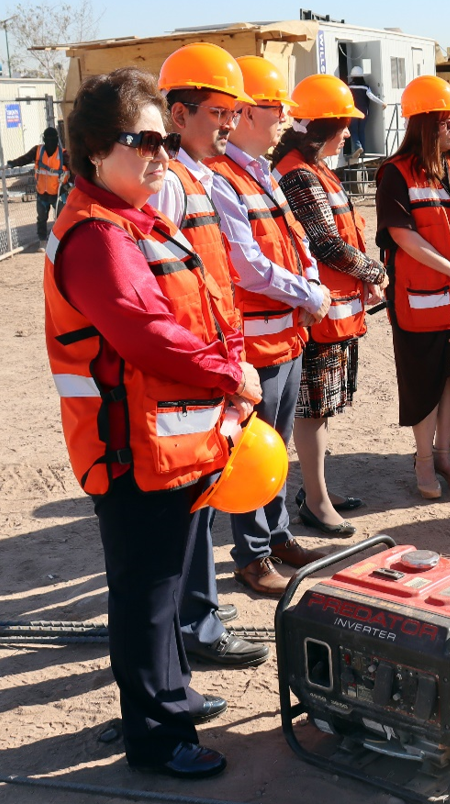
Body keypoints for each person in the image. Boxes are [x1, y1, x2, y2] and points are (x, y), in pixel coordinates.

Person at [46, 66, 262, 778]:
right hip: (129, 453)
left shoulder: (136, 220)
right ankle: (155, 736)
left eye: (165, 139)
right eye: (143, 140)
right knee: (143, 597)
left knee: (164, 588)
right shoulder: (96, 237)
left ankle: (174, 696)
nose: (161, 153)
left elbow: (191, 309)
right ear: (96, 149)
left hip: (167, 445)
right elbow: (146, 335)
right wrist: (231, 373)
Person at [151, 42, 268, 668]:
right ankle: (195, 631)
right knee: (190, 510)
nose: (228, 122)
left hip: (211, 369)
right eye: (218, 111)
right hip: (189, 377)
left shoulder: (196, 179)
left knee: (200, 503)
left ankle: (199, 624)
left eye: (232, 112)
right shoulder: (167, 185)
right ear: (177, 114)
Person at [209, 55, 329, 595]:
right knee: (251, 450)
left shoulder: (262, 172)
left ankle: (276, 535)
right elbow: (247, 266)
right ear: (249, 113)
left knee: (275, 445)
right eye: (279, 108)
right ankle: (252, 554)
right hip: (255, 342)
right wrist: (310, 292)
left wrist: (309, 287)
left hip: (287, 332)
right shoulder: (221, 179)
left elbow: (296, 240)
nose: (287, 119)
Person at [273, 74, 387, 532]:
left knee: (319, 410)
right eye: (342, 125)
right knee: (312, 410)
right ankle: (316, 501)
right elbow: (325, 243)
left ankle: (316, 488)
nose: (348, 133)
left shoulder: (310, 167)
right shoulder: (299, 174)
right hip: (316, 316)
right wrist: (376, 273)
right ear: (320, 125)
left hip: (331, 311)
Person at [376, 75, 450, 499]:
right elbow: (402, 235)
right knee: (423, 381)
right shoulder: (395, 173)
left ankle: (445, 455)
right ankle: (423, 461)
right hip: (423, 300)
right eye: (447, 120)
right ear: (426, 124)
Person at [9, 126, 70, 244]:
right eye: (48, 139)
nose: (50, 142)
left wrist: (67, 186)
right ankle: (42, 241)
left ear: (57, 140)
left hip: (58, 193)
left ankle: (61, 241)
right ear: (44, 139)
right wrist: (13, 163)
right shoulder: (37, 151)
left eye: (52, 139)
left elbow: (74, 171)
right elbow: (25, 159)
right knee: (41, 218)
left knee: (62, 219)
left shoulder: (63, 154)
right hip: (42, 193)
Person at [347, 66, 387, 157]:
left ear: (352, 77)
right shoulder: (365, 87)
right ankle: (362, 151)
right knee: (361, 130)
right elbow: (371, 96)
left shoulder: (349, 87)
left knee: (353, 130)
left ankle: (358, 147)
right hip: (364, 112)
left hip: (353, 112)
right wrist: (382, 103)